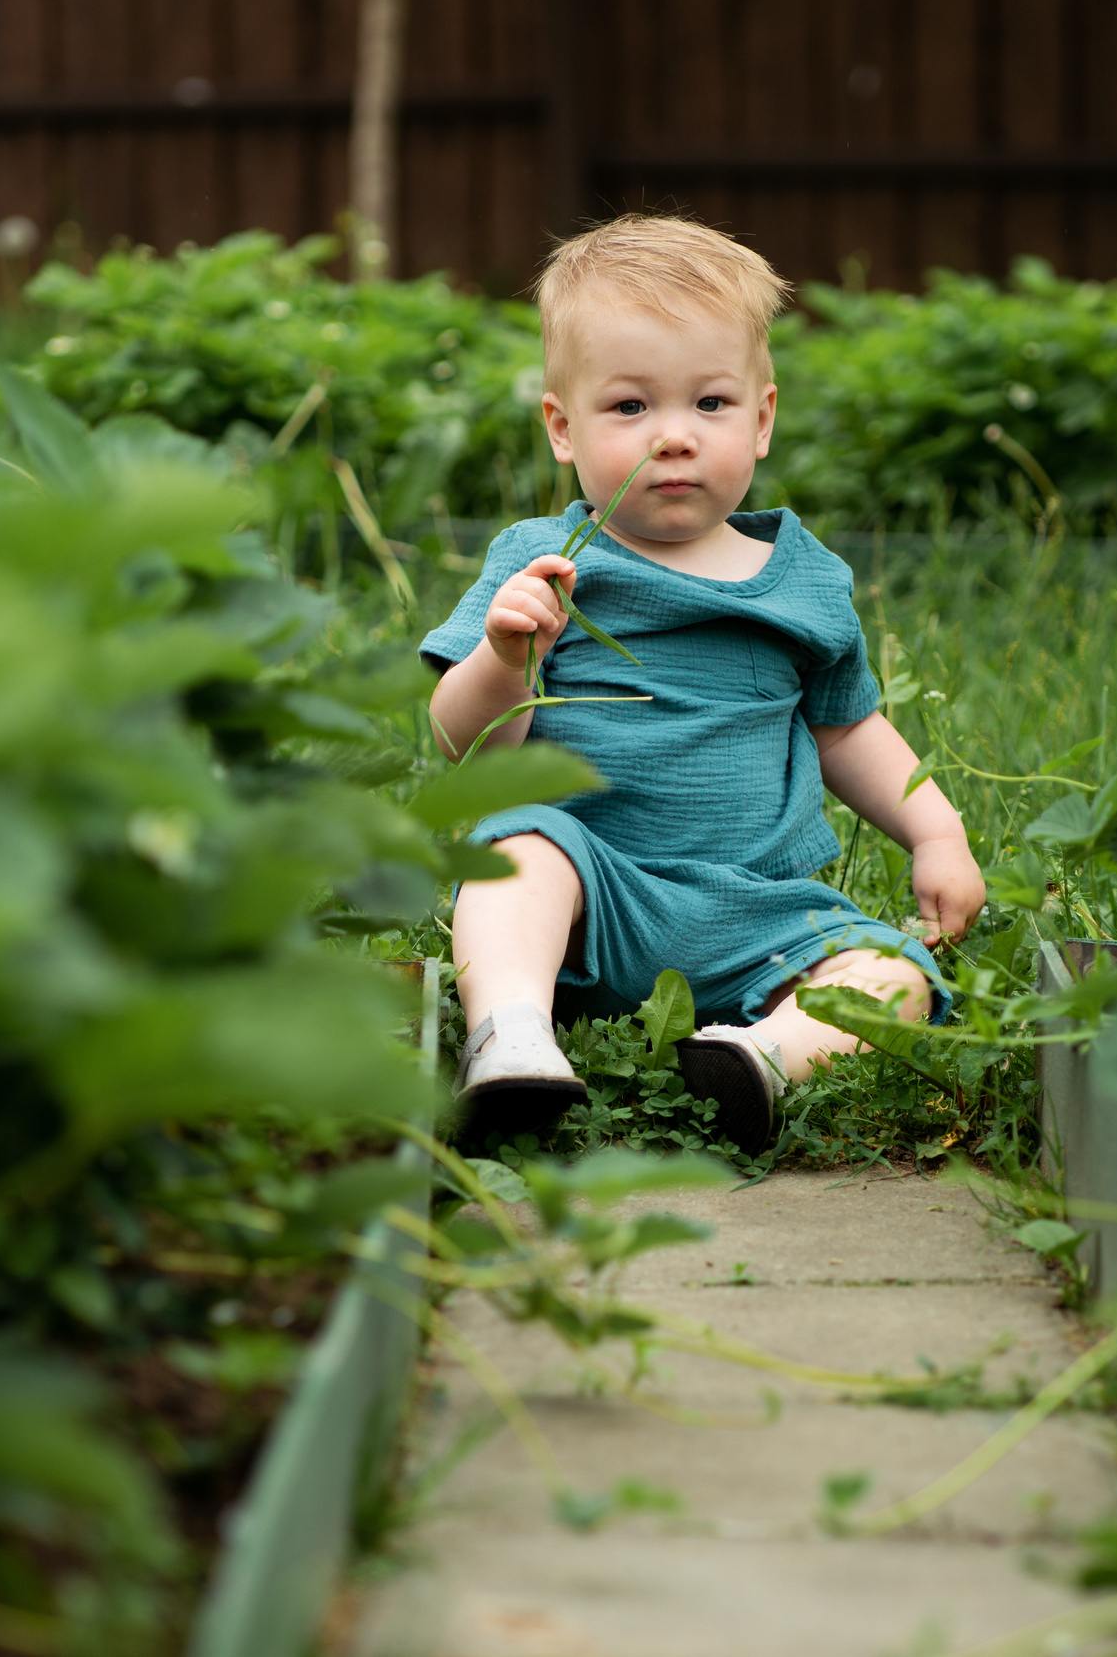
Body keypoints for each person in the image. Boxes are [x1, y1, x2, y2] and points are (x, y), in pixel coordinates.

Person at [420, 214, 985, 1150]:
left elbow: (849, 730)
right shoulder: (544, 561)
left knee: (893, 971)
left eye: (710, 405)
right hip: (594, 895)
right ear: (563, 428)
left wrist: (936, 829)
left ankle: (759, 1057)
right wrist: (506, 659)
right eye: (631, 408)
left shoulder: (803, 580)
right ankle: (511, 1033)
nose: (674, 438)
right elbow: (461, 746)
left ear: (761, 418)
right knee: (516, 843)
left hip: (761, 914)